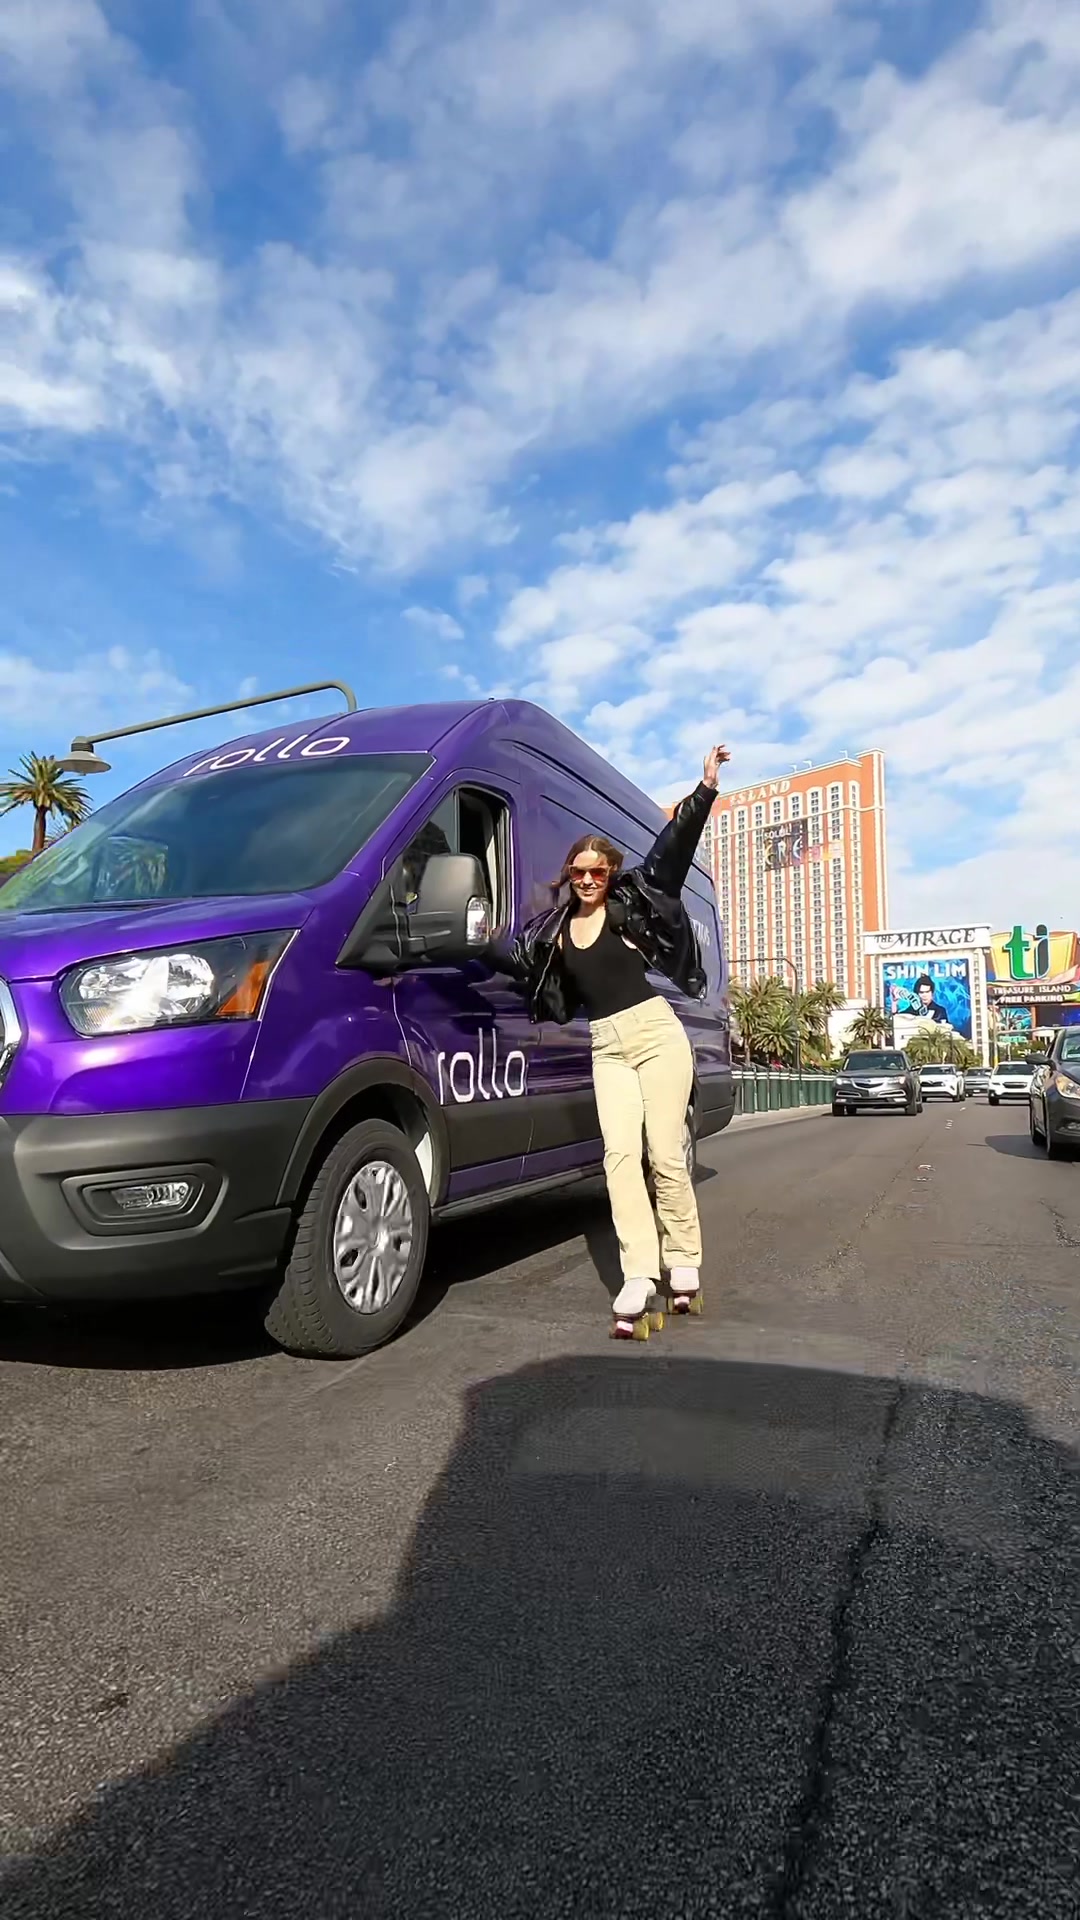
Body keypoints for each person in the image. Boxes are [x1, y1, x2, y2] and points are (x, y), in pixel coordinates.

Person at [491, 745, 729, 1339]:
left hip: (656, 1034)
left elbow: (671, 852)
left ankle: (684, 1259)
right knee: (619, 1160)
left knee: (665, 1154)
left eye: (599, 872)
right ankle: (639, 1274)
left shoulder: (631, 904)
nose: (590, 880)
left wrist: (703, 791)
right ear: (569, 876)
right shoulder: (553, 932)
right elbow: (510, 958)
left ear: (611, 874)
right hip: (607, 1046)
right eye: (580, 872)